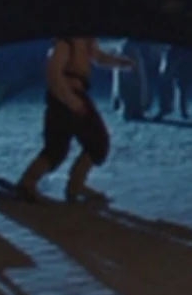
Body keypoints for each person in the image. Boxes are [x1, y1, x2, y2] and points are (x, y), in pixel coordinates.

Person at [15, 37, 135, 203]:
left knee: (59, 147)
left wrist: (120, 63)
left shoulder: (84, 40)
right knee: (94, 142)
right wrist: (71, 100)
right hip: (67, 97)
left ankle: (62, 184)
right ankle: (56, 184)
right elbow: (53, 73)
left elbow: (98, 57)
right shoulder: (66, 42)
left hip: (69, 97)